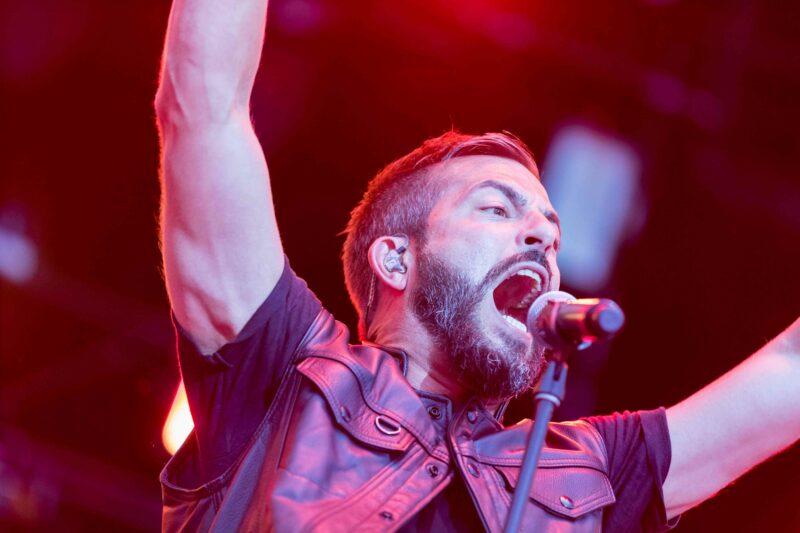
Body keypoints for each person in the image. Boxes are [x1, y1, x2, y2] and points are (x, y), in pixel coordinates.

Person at [154, 0, 800, 531]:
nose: (540, 239)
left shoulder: (591, 471)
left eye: (550, 235)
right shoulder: (284, 373)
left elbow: (789, 369)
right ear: (396, 259)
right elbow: (203, 107)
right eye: (496, 209)